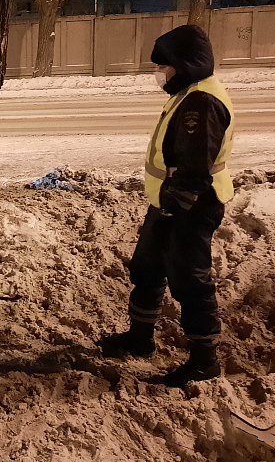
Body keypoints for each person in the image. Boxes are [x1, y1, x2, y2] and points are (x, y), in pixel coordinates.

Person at [98, 24, 235, 387]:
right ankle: (140, 338)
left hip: (191, 205)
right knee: (147, 268)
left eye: (165, 66)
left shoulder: (202, 102)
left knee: (190, 279)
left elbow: (195, 166)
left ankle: (204, 359)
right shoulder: (187, 93)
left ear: (185, 63)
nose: (160, 73)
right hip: (168, 203)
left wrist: (178, 205)